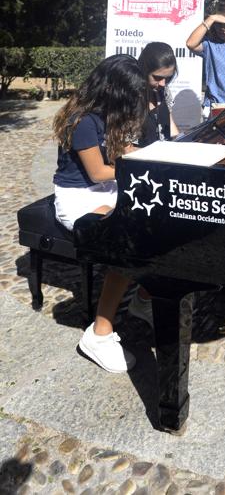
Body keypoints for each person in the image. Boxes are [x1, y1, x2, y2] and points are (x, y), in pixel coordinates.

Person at [53, 53, 146, 373]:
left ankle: (143, 297)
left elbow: (119, 152)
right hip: (78, 198)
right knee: (127, 235)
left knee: (154, 219)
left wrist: (151, 153)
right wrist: (143, 165)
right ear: (114, 90)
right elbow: (98, 173)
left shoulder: (105, 113)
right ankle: (98, 334)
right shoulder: (81, 120)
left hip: (102, 191)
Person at [137, 41, 179, 146]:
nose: (163, 84)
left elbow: (173, 133)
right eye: (157, 78)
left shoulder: (163, 91)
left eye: (168, 78)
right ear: (144, 70)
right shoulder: (131, 96)